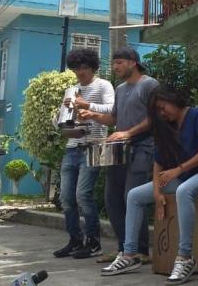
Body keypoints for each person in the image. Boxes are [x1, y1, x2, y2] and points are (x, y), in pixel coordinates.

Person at [100, 86, 198, 285]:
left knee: (184, 190)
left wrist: (179, 170)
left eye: (163, 107)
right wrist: (157, 194)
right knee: (135, 195)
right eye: (159, 111)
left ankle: (185, 257)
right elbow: (159, 162)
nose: (163, 113)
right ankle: (130, 254)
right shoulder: (166, 126)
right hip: (182, 178)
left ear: (173, 99)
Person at [79, 47, 159, 266]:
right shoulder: (121, 88)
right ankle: (125, 248)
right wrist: (93, 114)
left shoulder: (149, 85)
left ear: (133, 62)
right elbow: (114, 119)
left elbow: (156, 118)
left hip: (143, 148)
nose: (114, 67)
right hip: (118, 150)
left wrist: (129, 132)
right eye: (114, 63)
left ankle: (140, 250)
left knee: (132, 197)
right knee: (112, 199)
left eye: (119, 63)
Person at [52, 49, 115, 259]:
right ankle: (75, 240)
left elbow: (112, 110)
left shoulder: (103, 85)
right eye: (76, 68)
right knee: (66, 198)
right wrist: (60, 114)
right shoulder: (71, 90)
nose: (80, 72)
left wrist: (86, 105)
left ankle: (94, 242)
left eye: (84, 67)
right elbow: (61, 123)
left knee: (82, 195)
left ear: (93, 67)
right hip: (72, 146)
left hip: (95, 144)